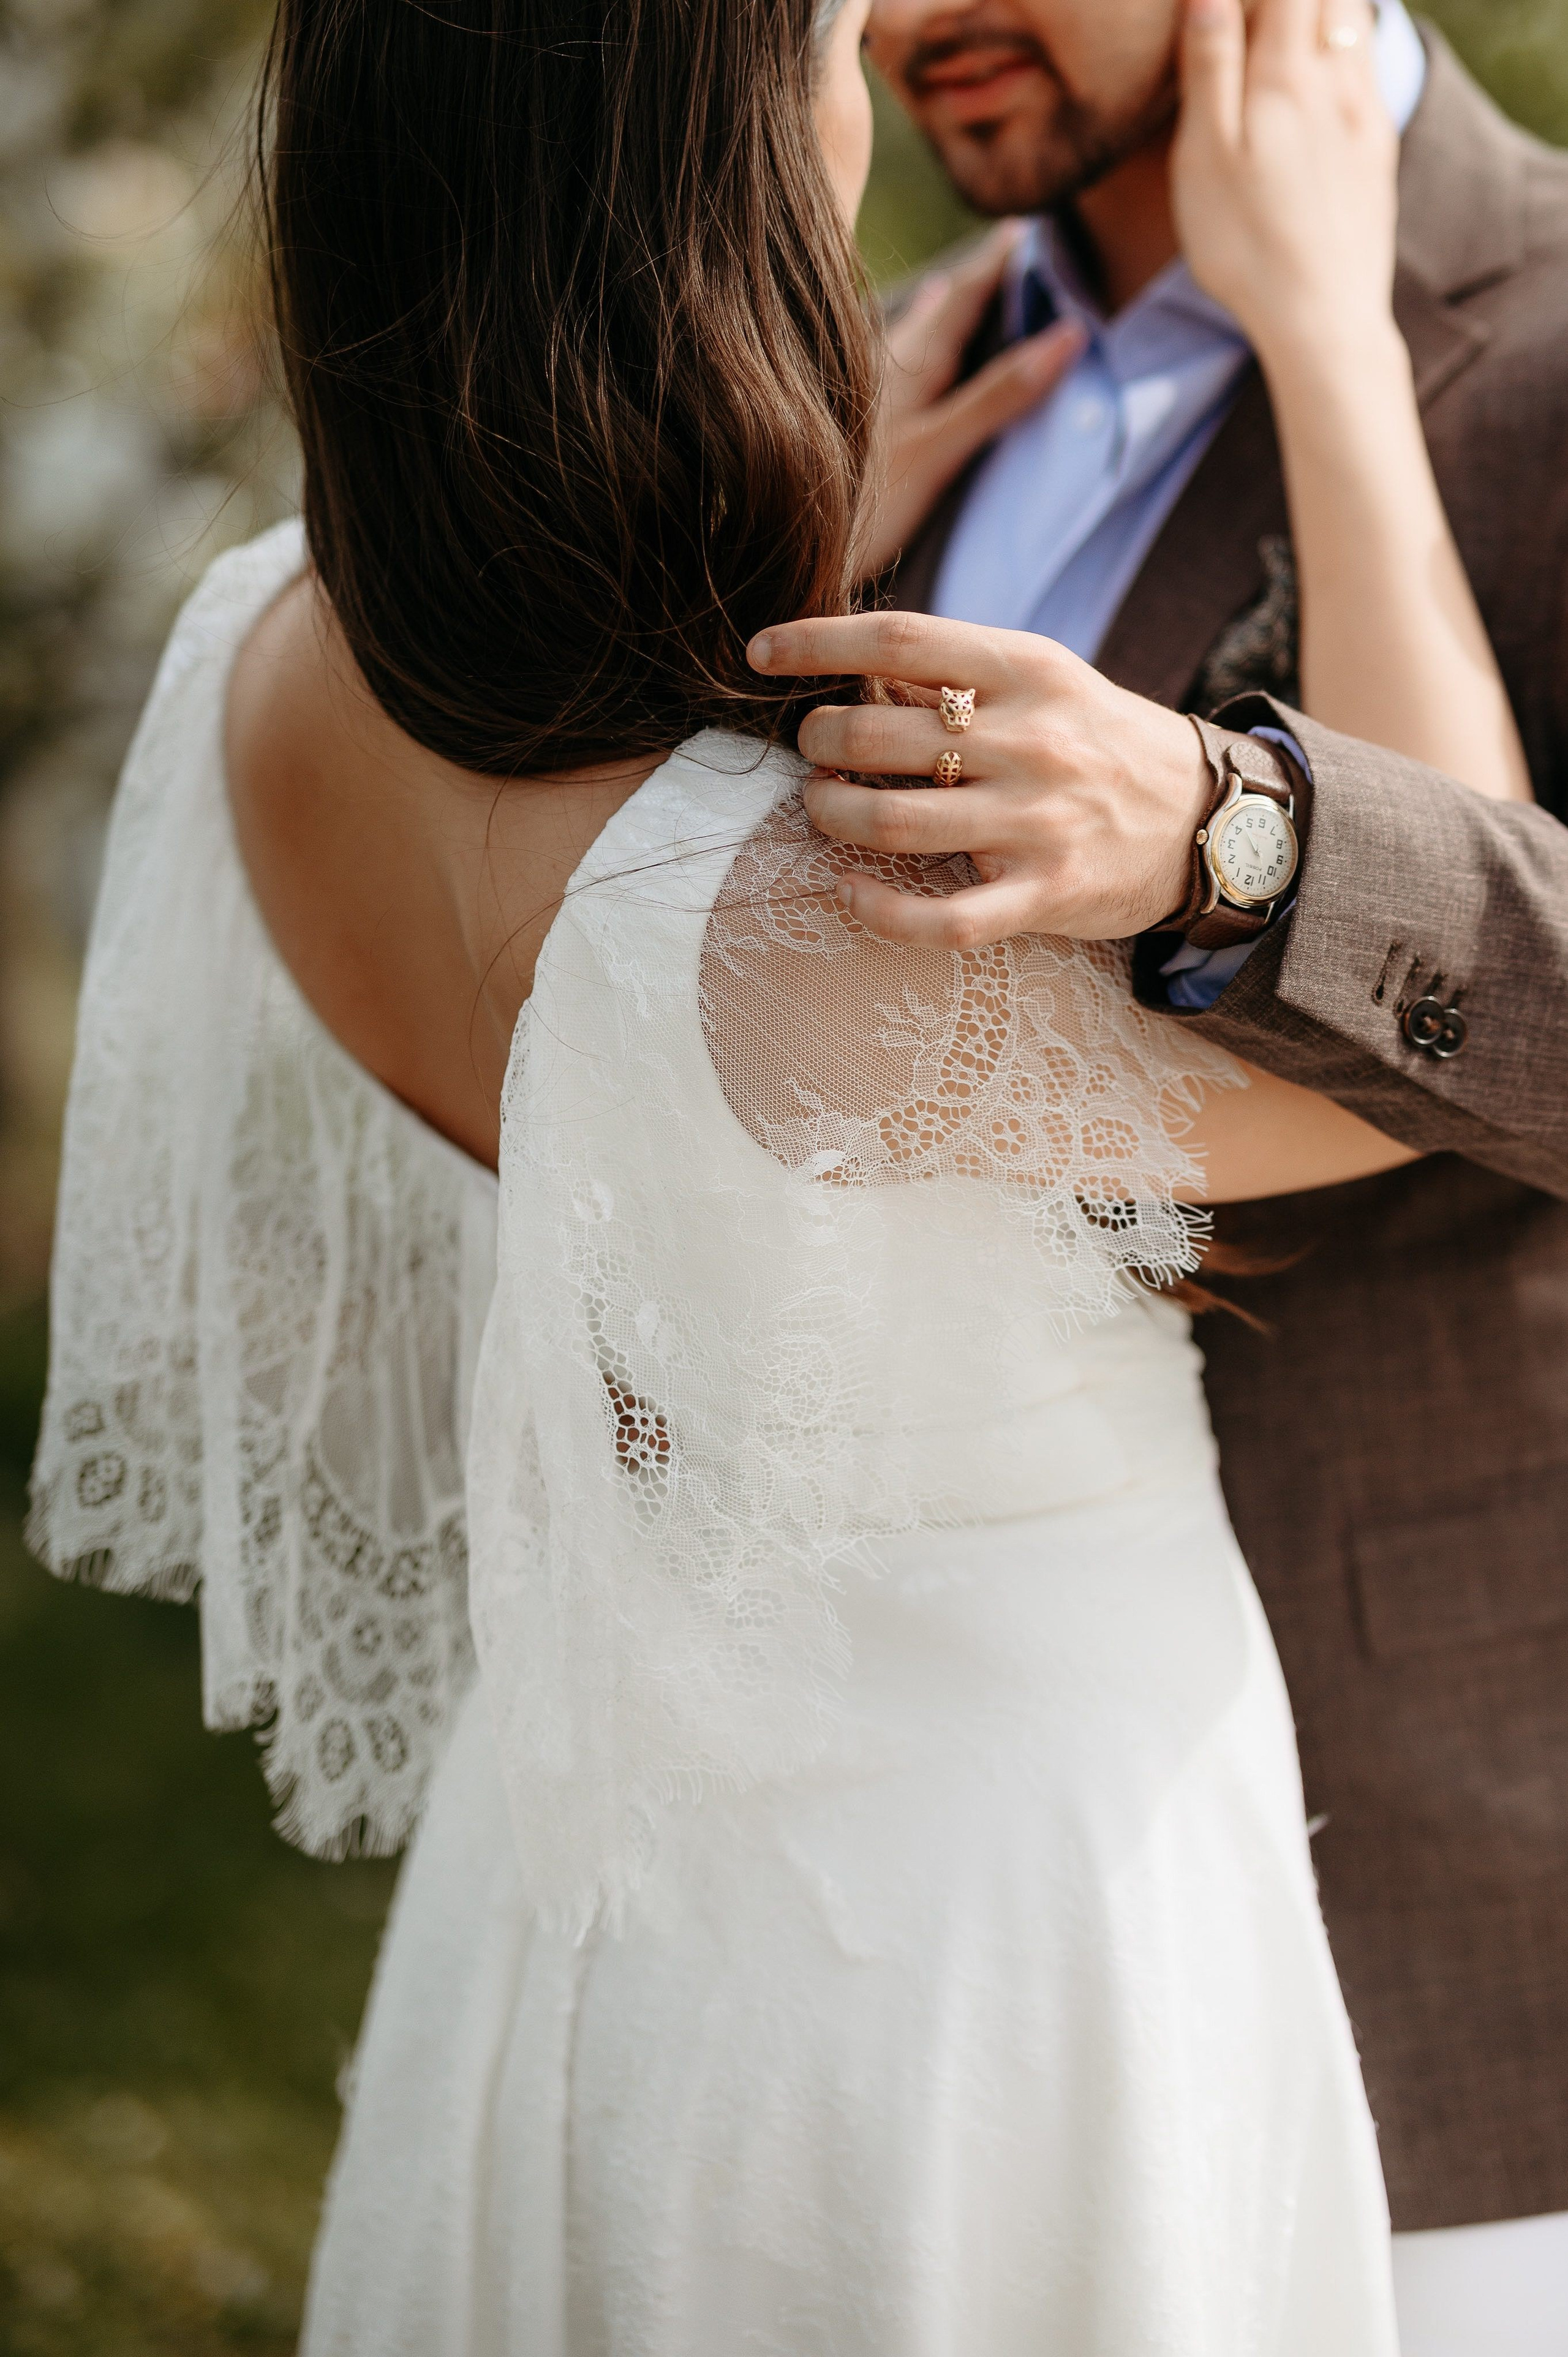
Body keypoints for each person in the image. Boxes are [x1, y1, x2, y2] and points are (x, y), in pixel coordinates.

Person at [18, 0, 1533, 2349]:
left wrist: (800, 514)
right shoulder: (801, 939)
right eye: (825, 31)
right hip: (970, 1980)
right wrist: (1327, 351)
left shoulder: (273, 653)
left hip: (587, 1909)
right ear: (715, 166)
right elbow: (1449, 989)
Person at [753, 0, 1568, 2344]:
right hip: (929, 1888)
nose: (914, 18)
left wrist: (1235, 830)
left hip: (1441, 1903)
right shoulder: (891, 368)